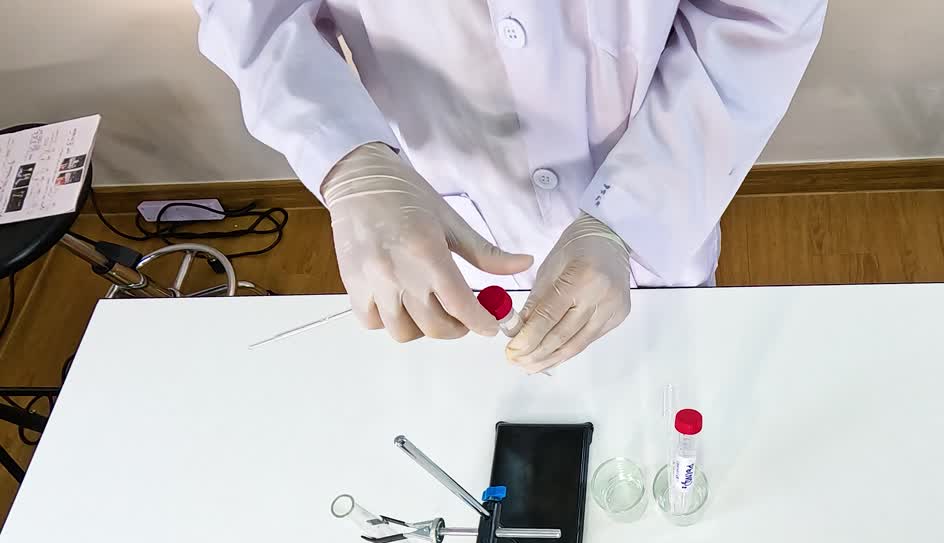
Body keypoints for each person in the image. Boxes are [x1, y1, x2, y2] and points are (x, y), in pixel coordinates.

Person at [195, 2, 826, 373]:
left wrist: (631, 216)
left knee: (659, 405)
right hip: (434, 219)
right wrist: (347, 158)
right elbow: (256, 16)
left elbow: (758, 21)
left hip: (664, 197)